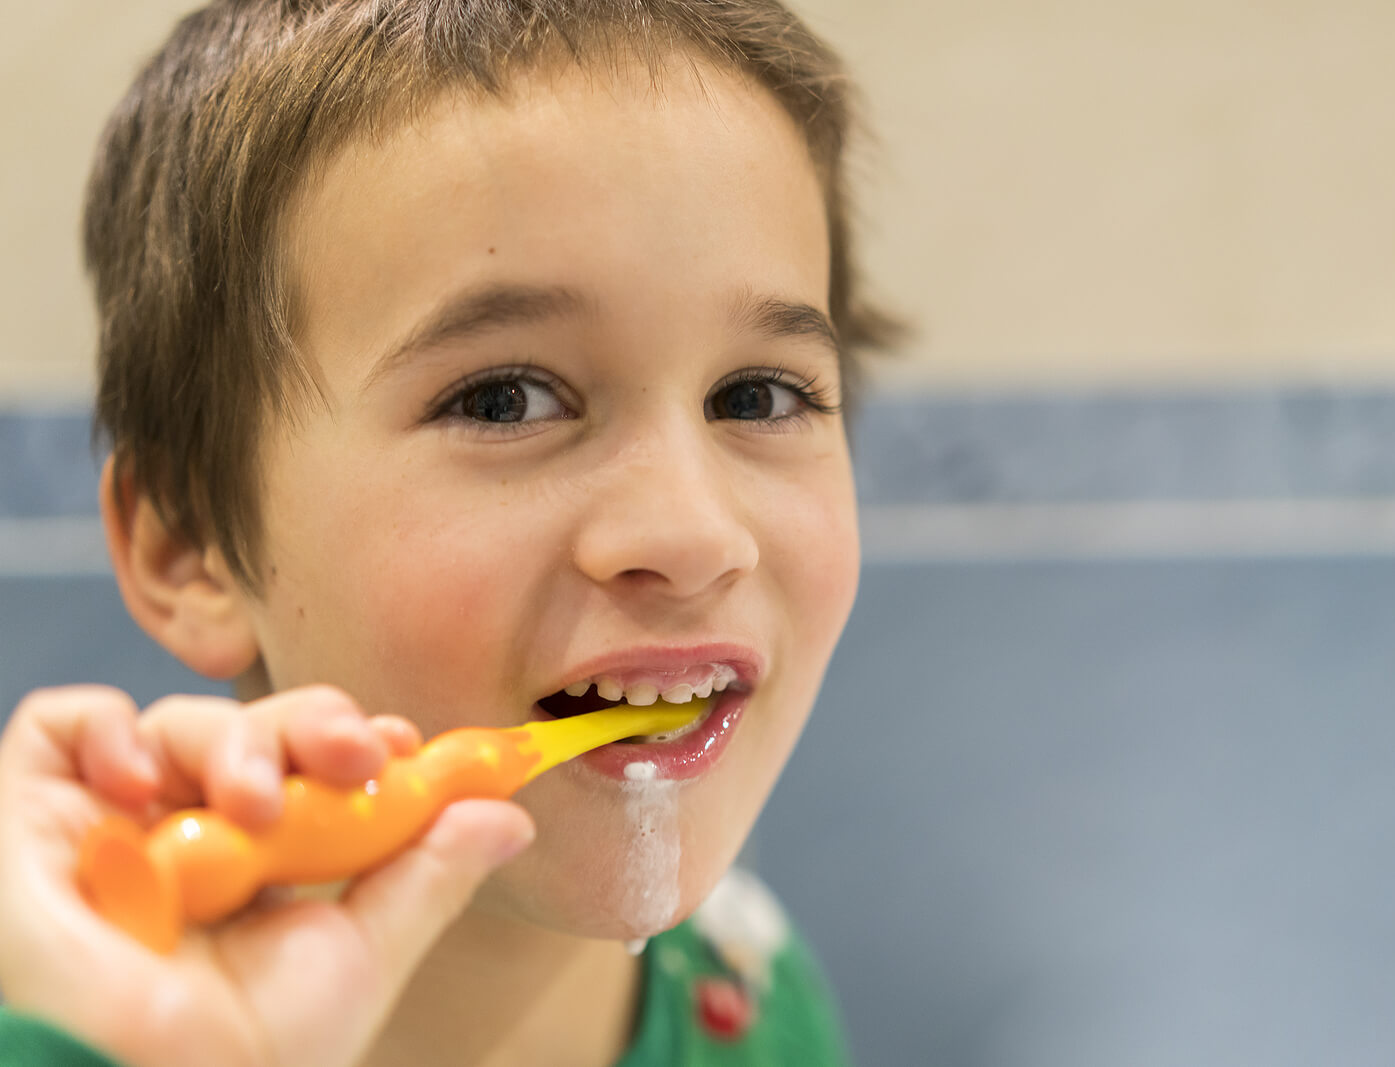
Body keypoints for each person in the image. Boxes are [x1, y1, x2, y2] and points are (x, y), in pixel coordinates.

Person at [0, 1, 900, 1063]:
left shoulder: (753, 994)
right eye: (505, 399)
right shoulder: (87, 1025)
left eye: (756, 396)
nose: (695, 533)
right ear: (190, 546)